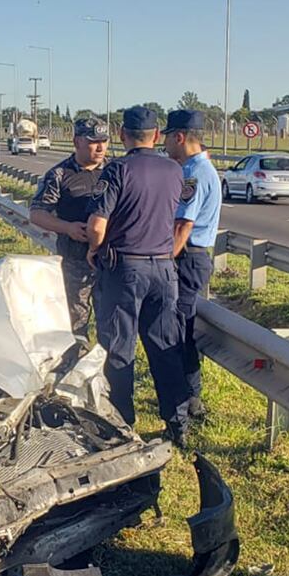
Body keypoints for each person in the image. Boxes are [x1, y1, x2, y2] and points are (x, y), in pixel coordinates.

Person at [85, 106, 191, 446]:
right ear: (157, 135)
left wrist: (93, 249)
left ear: (121, 134)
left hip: (125, 268)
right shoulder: (174, 170)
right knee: (164, 347)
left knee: (119, 349)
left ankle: (121, 425)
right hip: (163, 267)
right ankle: (178, 423)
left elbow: (97, 224)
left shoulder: (117, 169)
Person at [163, 109, 222, 420]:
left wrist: (163, 260)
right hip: (191, 258)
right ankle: (187, 396)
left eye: (167, 139)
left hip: (188, 258)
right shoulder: (196, 169)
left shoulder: (194, 174)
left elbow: (183, 226)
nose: (165, 146)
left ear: (180, 137)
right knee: (178, 326)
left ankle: (190, 399)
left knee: (180, 329)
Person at [28, 118, 110, 340]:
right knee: (75, 322)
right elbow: (37, 213)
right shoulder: (60, 174)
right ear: (77, 142)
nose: (101, 147)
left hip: (108, 261)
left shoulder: (114, 172)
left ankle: (108, 370)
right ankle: (75, 361)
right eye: (94, 142)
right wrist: (67, 227)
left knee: (110, 324)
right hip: (75, 259)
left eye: (104, 141)